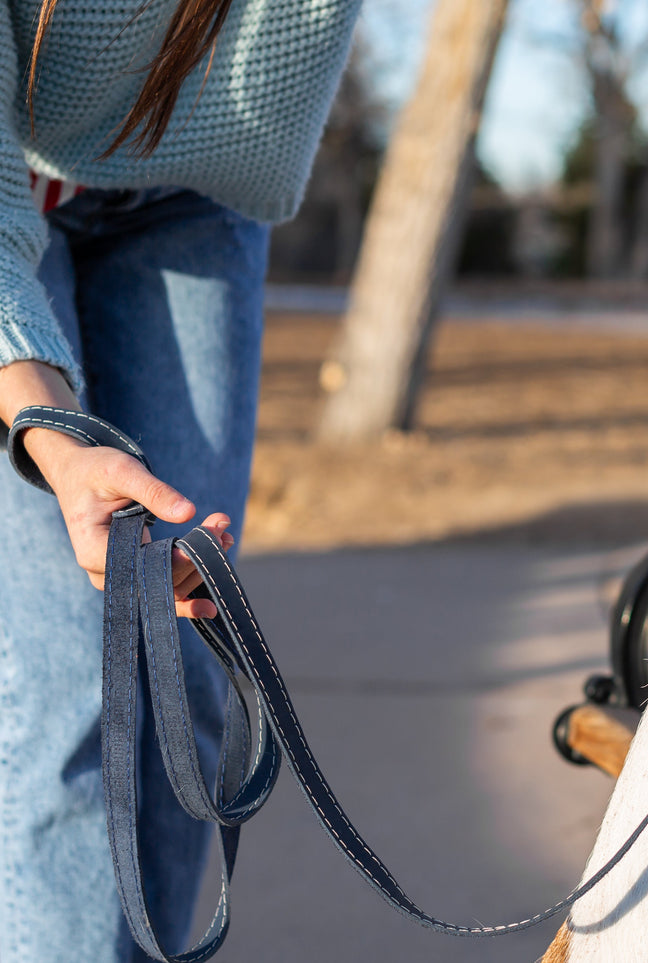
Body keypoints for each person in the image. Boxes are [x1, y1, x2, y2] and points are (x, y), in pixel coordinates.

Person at [0, 2, 362, 960]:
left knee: (190, 660)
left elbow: (263, 146)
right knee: (69, 686)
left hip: (194, 188)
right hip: (10, 182)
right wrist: (57, 438)